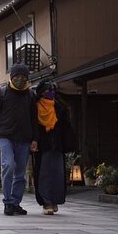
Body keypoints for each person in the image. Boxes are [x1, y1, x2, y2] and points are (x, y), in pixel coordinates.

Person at [0, 64, 38, 216]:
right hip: (5, 137)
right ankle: (7, 201)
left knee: (20, 172)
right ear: (11, 78)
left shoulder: (31, 95)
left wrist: (35, 139)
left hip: (25, 139)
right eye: (16, 77)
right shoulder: (1, 93)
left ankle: (15, 203)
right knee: (8, 165)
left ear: (27, 79)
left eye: (23, 78)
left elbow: (34, 119)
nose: (20, 80)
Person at [32, 80, 73, 215]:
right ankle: (46, 202)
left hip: (57, 145)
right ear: (41, 92)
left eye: (53, 90)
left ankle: (55, 200)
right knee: (44, 174)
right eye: (47, 90)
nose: (51, 93)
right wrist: (33, 141)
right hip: (43, 145)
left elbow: (67, 127)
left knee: (58, 174)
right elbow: (33, 127)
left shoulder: (60, 106)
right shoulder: (35, 107)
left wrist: (68, 144)